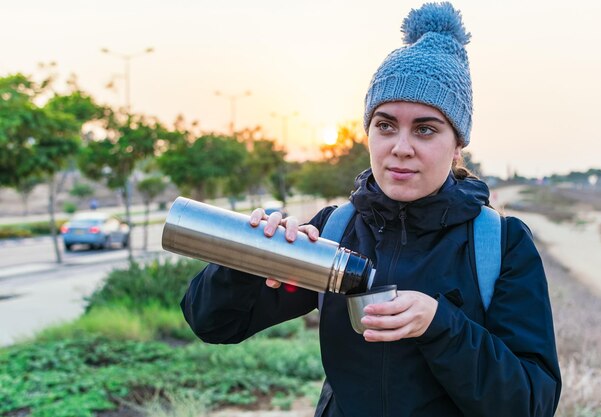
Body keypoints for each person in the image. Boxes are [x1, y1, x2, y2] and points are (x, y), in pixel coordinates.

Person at [180, 3, 561, 416]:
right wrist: (250, 257)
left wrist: (440, 325)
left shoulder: (500, 246)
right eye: (385, 124)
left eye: (426, 129)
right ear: (368, 132)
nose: (400, 147)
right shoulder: (334, 230)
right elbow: (214, 324)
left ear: (457, 145)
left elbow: (532, 402)